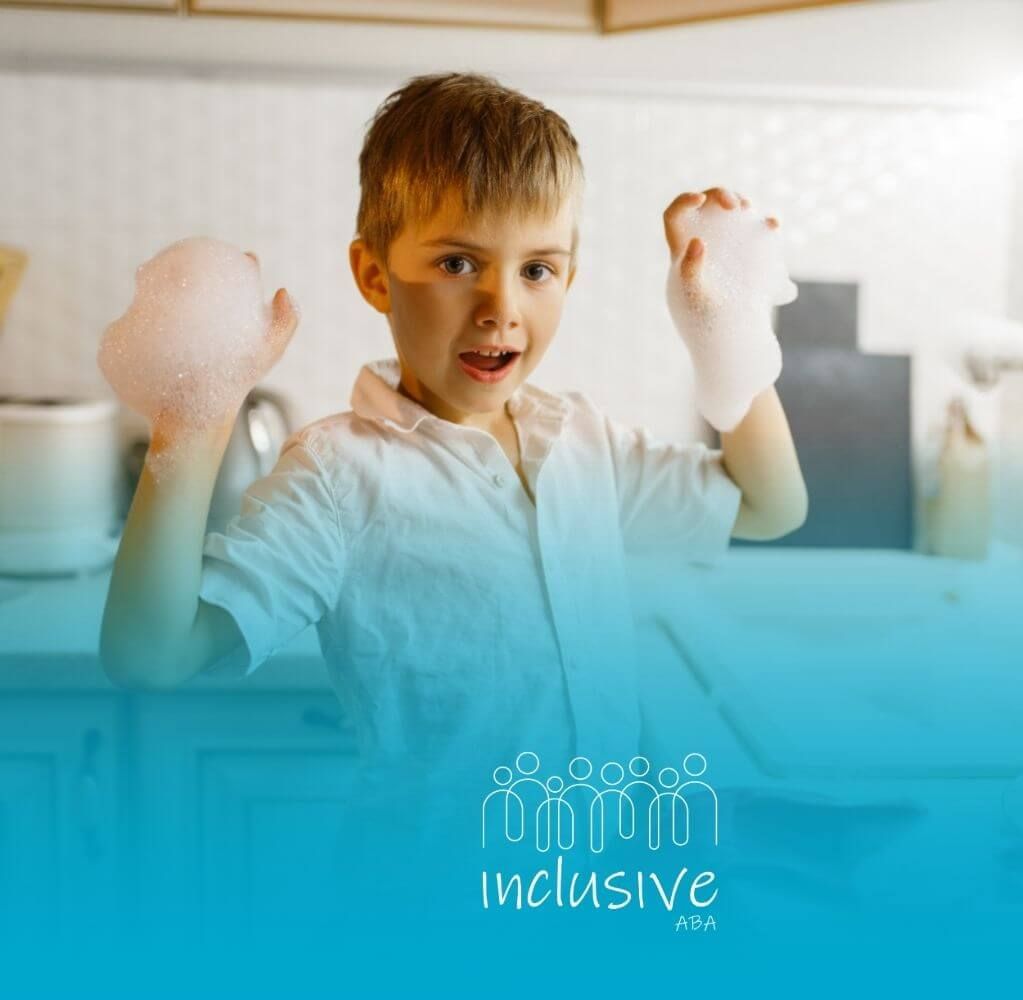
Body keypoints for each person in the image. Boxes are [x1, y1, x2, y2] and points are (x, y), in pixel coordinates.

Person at [99, 71, 807, 931]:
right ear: (374, 275)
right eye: (457, 262)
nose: (500, 307)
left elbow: (769, 506)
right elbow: (152, 654)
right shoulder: (339, 475)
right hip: (429, 914)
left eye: (537, 269)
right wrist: (194, 415)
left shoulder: (580, 439)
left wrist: (727, 333)